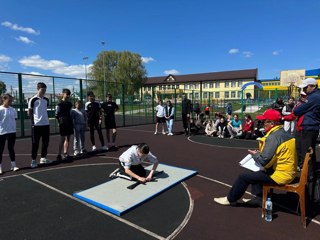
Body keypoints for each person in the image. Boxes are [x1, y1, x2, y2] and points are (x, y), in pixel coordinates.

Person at [214, 109, 297, 206]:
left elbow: (264, 161)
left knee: (243, 177)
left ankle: (230, 199)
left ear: (272, 123)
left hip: (281, 175)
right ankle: (259, 197)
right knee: (256, 172)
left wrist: (255, 155)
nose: (262, 124)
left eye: (264, 121)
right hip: (289, 171)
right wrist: (261, 154)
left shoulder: (273, 137)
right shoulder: (284, 132)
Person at [293, 78, 320, 200]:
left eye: (305, 87)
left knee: (307, 157)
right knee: (308, 156)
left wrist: (302, 106)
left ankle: (309, 187)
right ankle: (309, 183)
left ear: (312, 86)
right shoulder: (314, 96)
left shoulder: (314, 97)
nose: (304, 90)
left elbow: (297, 110)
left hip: (309, 129)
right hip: (310, 128)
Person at [28, 82, 53, 168]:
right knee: (35, 143)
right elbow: (30, 112)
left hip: (46, 124)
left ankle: (43, 158)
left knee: (45, 142)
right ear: (37, 89)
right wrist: (33, 123)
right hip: (36, 125)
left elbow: (44, 110)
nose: (44, 91)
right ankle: (33, 161)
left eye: (45, 90)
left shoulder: (46, 99)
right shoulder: (33, 99)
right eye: (42, 90)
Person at [0, 94, 19, 174]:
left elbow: (14, 119)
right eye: (9, 101)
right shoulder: (0, 109)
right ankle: (0, 168)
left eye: (11, 101)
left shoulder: (13, 109)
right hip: (2, 132)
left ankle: (13, 165)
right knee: (0, 150)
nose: (10, 102)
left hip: (12, 132)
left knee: (11, 149)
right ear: (4, 99)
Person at [55, 89, 74, 161]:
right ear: (63, 94)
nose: (68, 96)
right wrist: (58, 123)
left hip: (69, 122)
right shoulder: (59, 103)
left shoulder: (69, 104)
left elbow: (70, 113)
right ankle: (59, 154)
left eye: (69, 94)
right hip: (62, 122)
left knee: (68, 138)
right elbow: (56, 114)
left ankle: (65, 153)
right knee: (62, 139)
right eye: (66, 94)